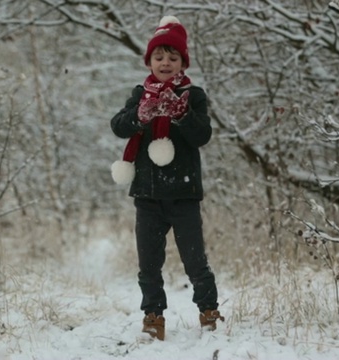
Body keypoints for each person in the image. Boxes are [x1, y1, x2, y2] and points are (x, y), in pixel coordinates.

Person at [110, 16, 223, 341]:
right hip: (147, 195)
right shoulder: (140, 94)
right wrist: (139, 116)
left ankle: (209, 311)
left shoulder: (194, 96)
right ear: (149, 61)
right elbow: (118, 126)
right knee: (149, 264)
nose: (165, 63)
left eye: (173, 58)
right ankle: (153, 316)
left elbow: (202, 135)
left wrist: (182, 114)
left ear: (182, 63)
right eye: (159, 57)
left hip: (184, 193)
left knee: (194, 260)